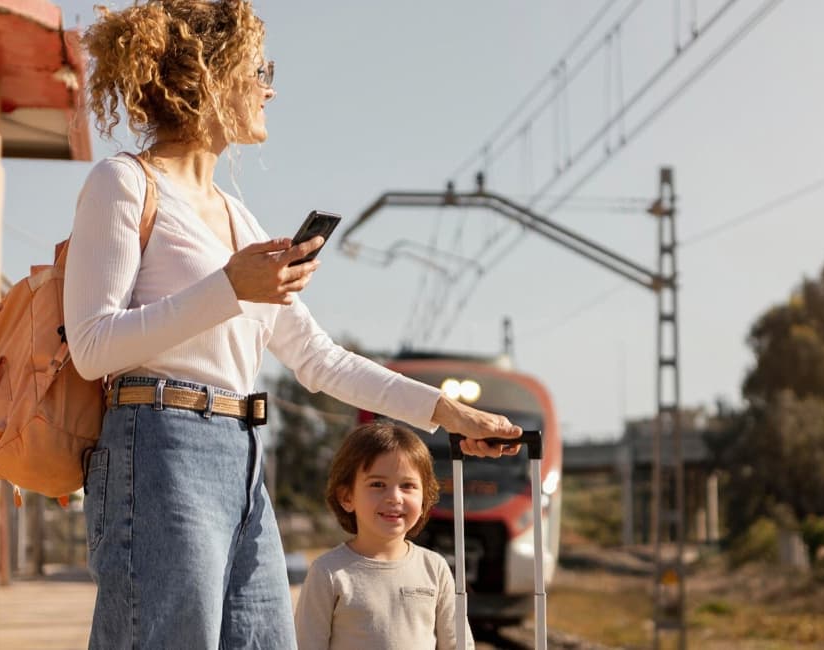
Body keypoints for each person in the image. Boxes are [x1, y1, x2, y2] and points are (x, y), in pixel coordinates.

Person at [65, 1, 519, 648]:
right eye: (259, 71)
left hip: (241, 452)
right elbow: (91, 346)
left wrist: (448, 413)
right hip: (158, 446)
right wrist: (229, 288)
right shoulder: (124, 184)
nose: (270, 89)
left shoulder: (237, 218)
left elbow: (320, 359)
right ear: (209, 75)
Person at [294, 421, 471, 650]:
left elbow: (458, 644)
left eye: (407, 485)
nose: (395, 497)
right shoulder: (328, 572)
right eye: (378, 484)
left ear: (424, 499)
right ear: (347, 497)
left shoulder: (435, 569)